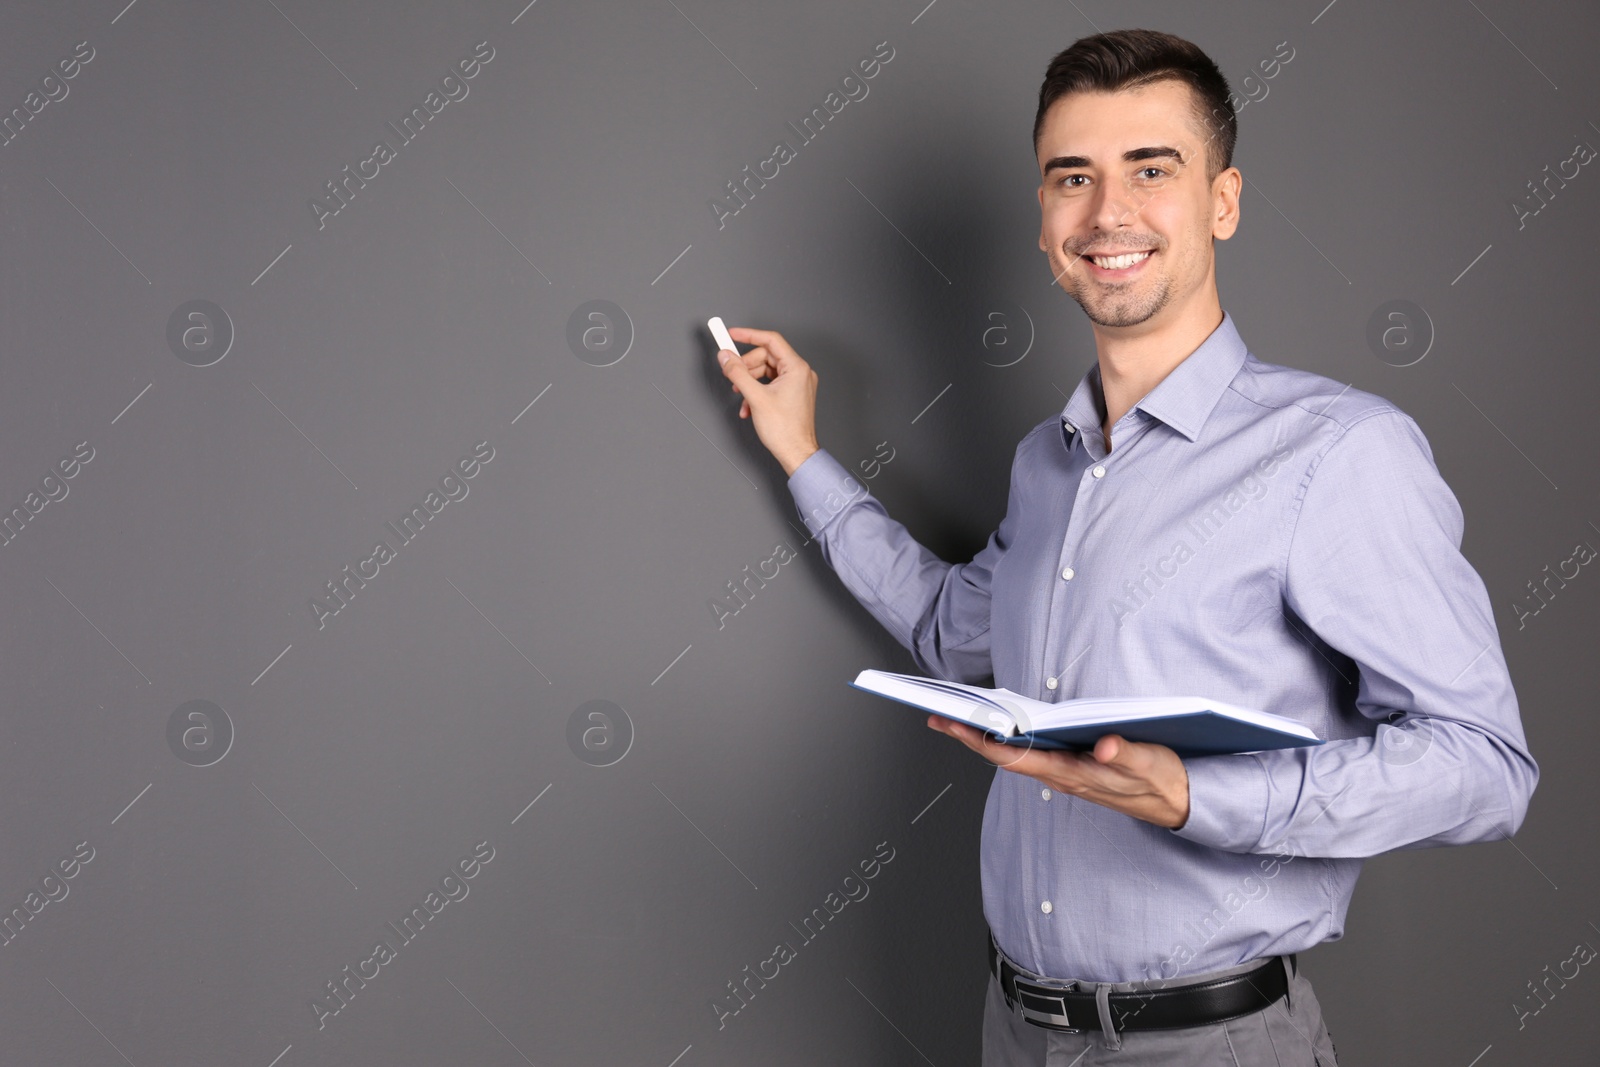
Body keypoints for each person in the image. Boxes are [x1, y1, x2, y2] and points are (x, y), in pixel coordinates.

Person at [712, 27, 1538, 1067]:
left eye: (1152, 170)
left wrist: (1199, 797)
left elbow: (1486, 766)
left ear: (1221, 202)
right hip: (1013, 1031)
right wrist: (803, 458)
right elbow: (948, 630)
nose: (1108, 213)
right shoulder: (1042, 467)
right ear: (1045, 223)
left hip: (1216, 1044)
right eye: (1073, 178)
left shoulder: (1337, 451)